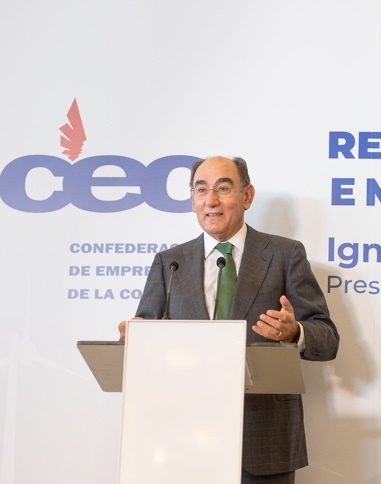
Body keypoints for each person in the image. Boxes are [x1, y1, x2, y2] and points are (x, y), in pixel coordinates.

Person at [118, 155, 339, 483]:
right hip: (181, 436)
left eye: (223, 188)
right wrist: (136, 341)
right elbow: (147, 334)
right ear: (192, 199)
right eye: (201, 190)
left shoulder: (284, 254)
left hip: (262, 437)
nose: (211, 200)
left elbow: (327, 337)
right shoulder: (170, 263)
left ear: (247, 196)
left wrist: (295, 332)